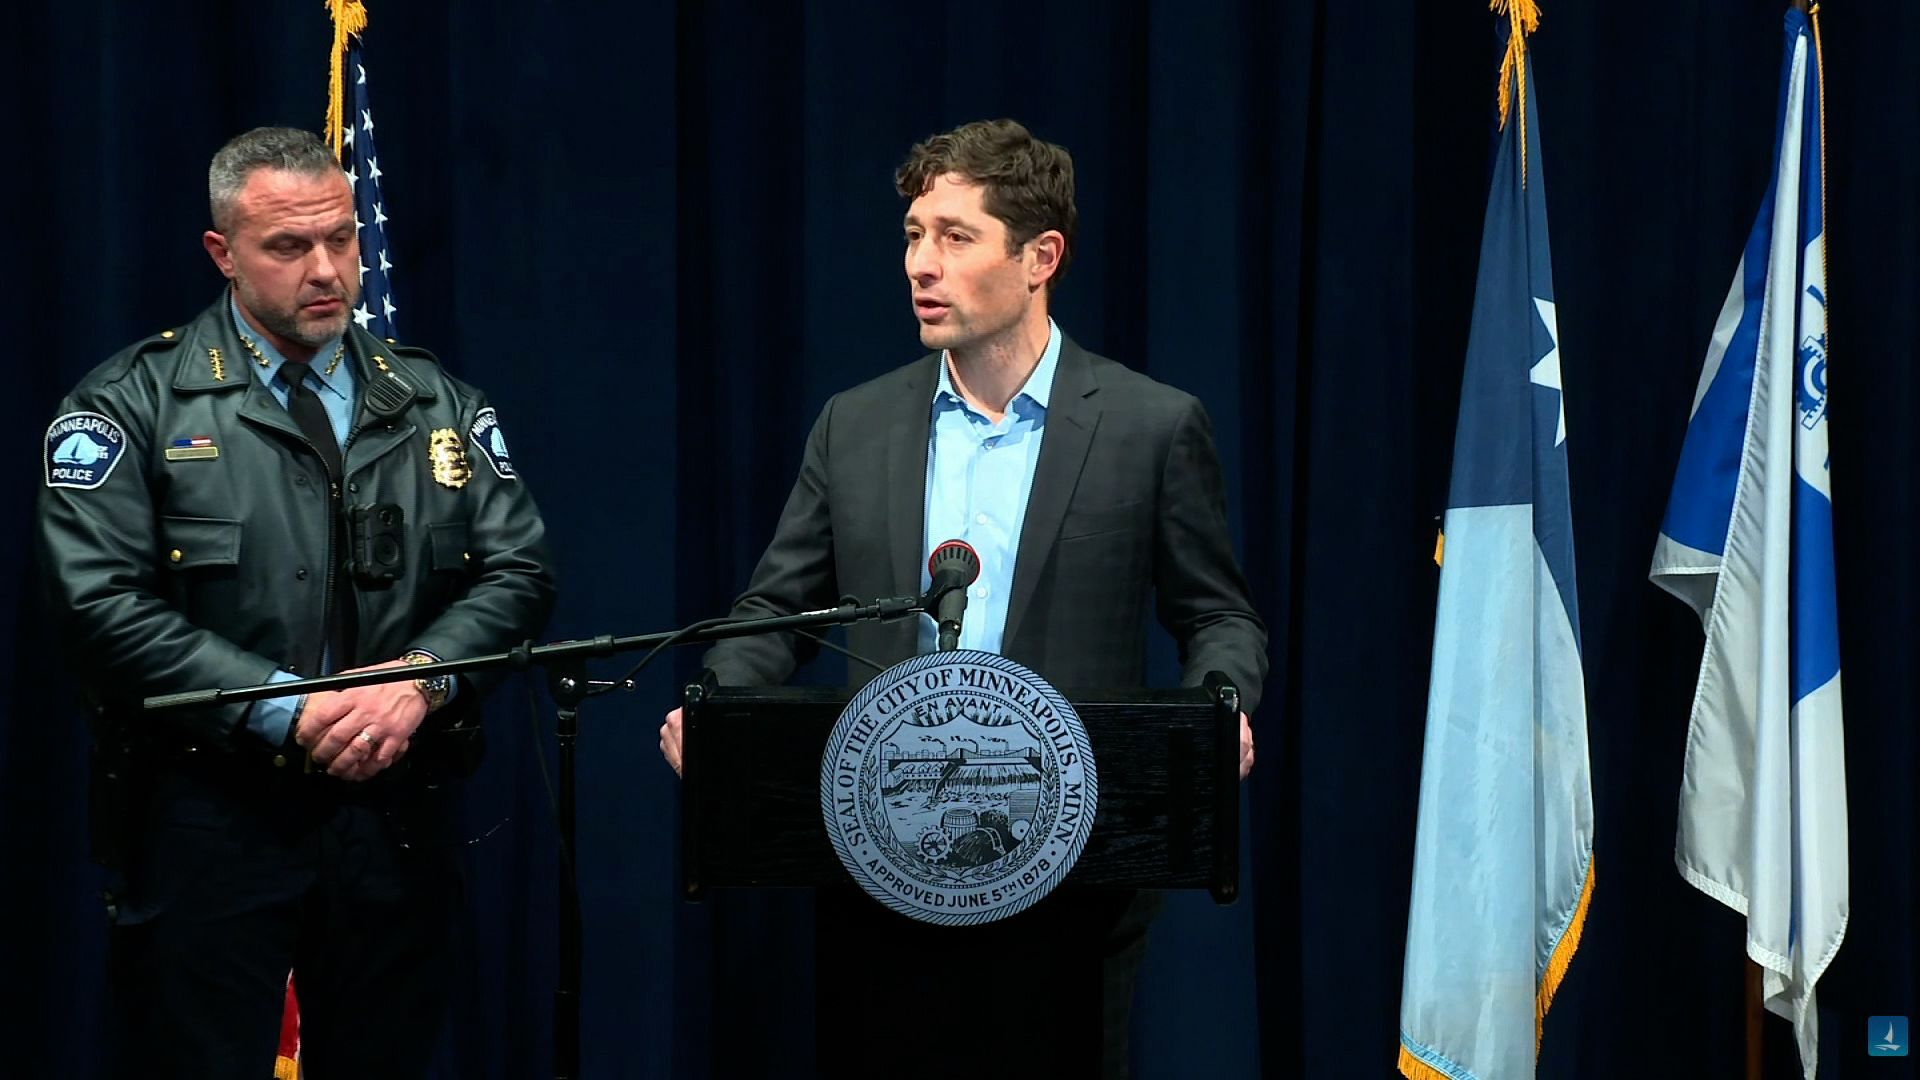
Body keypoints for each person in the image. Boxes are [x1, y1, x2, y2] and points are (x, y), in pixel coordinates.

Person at [658, 118, 1267, 1078]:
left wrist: (1218, 710)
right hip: (880, 869)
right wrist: (717, 707)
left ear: (1040, 258)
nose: (921, 265)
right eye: (913, 235)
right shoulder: (855, 425)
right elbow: (775, 612)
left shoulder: (1149, 426)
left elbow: (1217, 614)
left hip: (1070, 880)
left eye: (954, 236)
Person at [35, 126, 556, 1079]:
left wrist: (420, 681)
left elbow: (518, 571)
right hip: (208, 818)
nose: (326, 270)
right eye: (288, 246)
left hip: (395, 818)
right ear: (222, 253)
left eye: (342, 239)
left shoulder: (433, 401)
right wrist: (285, 706)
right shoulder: (131, 404)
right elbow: (97, 604)